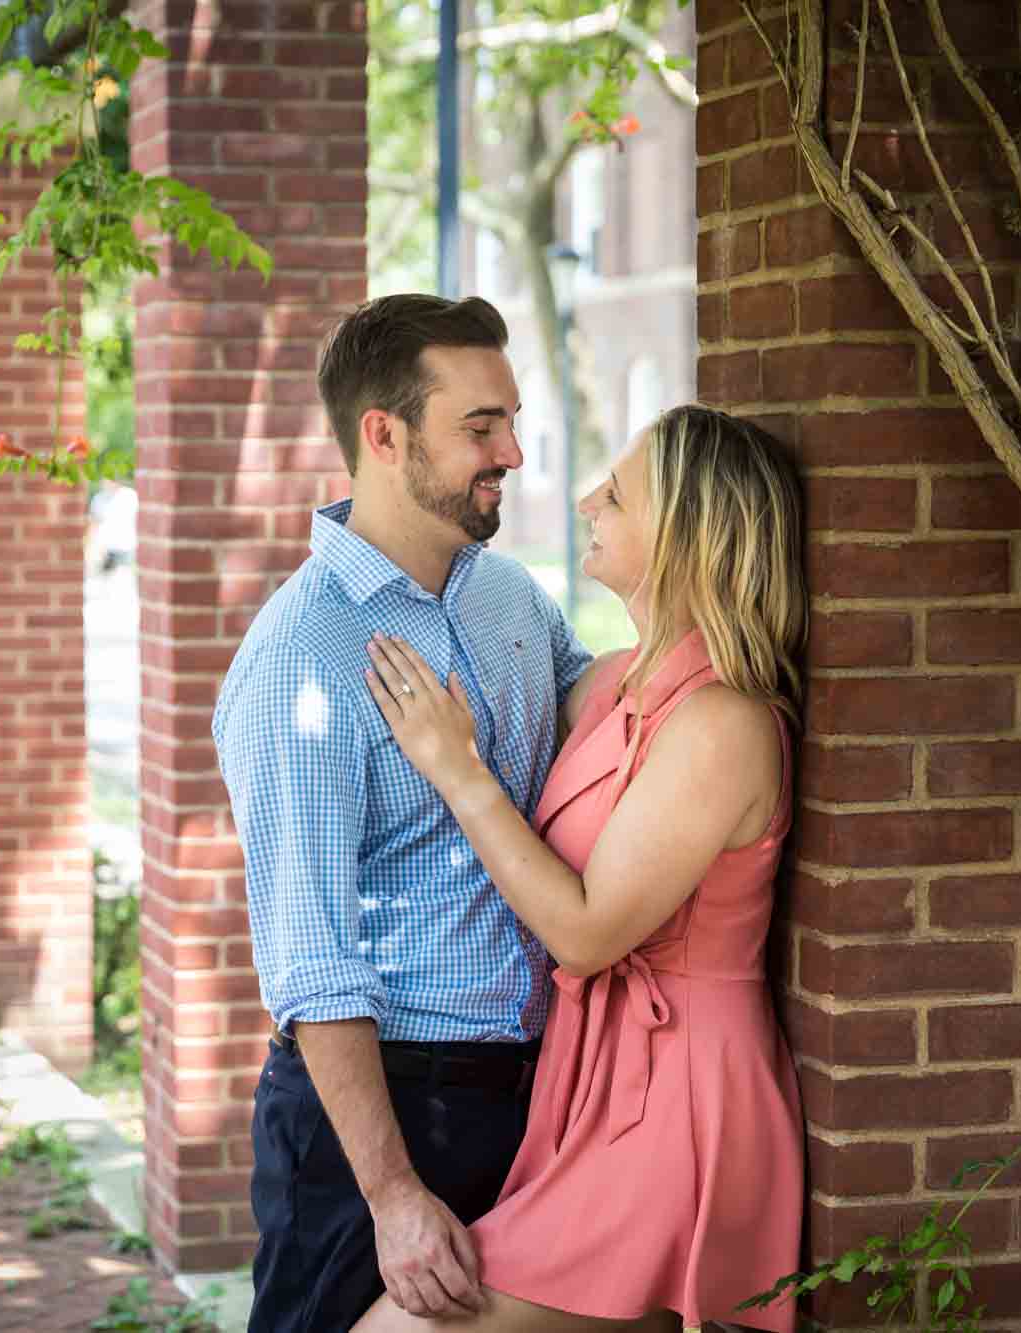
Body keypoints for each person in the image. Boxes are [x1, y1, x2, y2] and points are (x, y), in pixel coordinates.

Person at [353, 404, 809, 1333]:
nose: (588, 498)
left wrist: (456, 767)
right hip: (592, 1080)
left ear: (684, 535)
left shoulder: (724, 723)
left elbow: (588, 928)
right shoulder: (613, 683)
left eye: (620, 490)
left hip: (678, 1102)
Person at [212, 293, 594, 1332]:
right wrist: (389, 1194)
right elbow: (311, 957)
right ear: (383, 435)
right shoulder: (303, 656)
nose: (511, 451)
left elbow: (609, 718)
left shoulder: (509, 596)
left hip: (534, 1090)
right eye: (480, 427)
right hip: (379, 1109)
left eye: (510, 421)